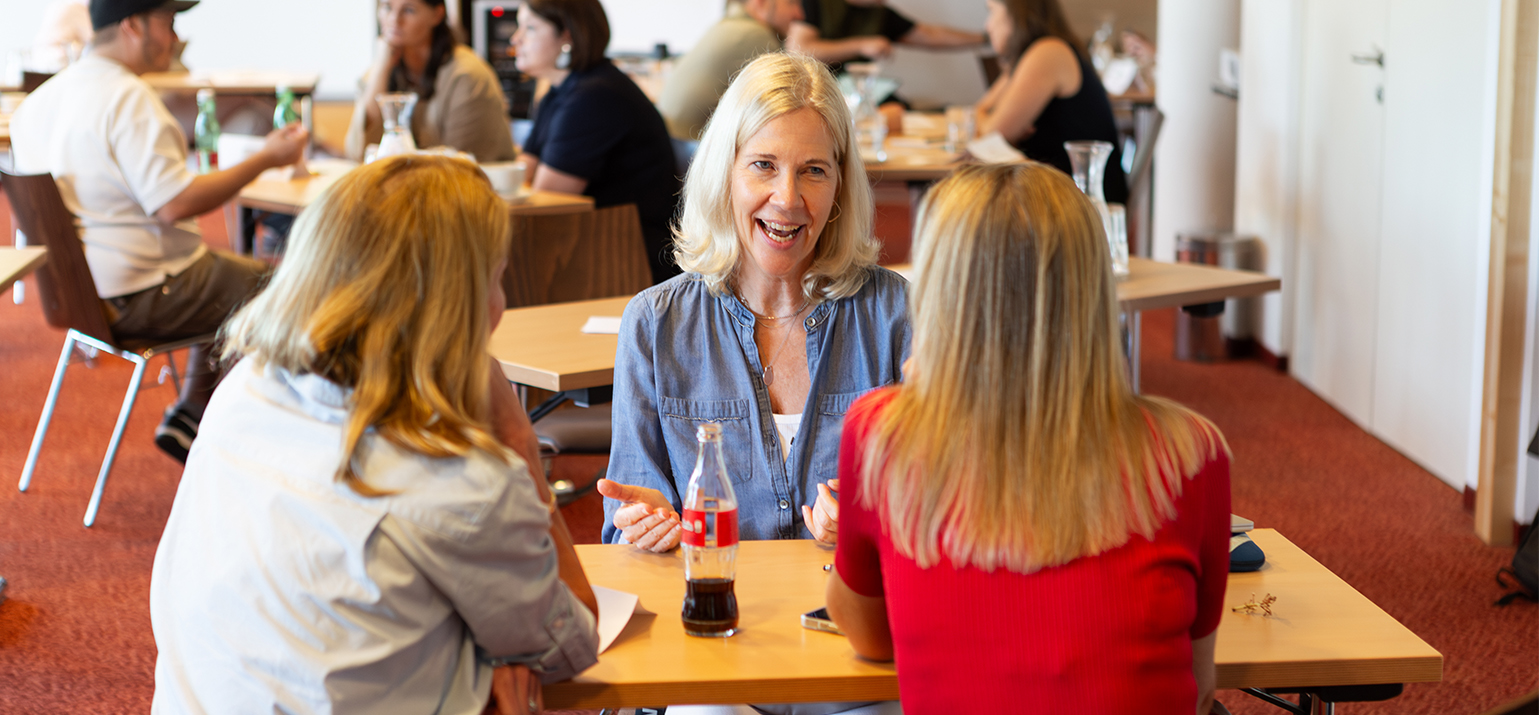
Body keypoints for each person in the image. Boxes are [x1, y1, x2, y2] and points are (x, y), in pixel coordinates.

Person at [149, 155, 600, 714]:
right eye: (499, 279)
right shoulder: (465, 482)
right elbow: (570, 644)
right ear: (459, 306)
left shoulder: (245, 387)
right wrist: (518, 444)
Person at [827, 163, 1230, 713]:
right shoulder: (1190, 452)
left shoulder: (879, 435)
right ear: (1092, 291)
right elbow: (1199, 682)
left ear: (940, 296)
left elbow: (871, 639)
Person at [597, 52, 909, 554]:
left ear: (840, 187)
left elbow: (948, 502)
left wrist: (871, 518)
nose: (787, 198)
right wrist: (645, 526)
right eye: (763, 165)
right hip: (713, 615)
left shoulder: (896, 316)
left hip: (850, 617)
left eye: (813, 170)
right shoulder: (656, 325)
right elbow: (623, 521)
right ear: (725, 173)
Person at [8, 0, 308, 462]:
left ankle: (191, 414)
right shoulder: (127, 98)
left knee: (225, 275)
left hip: (79, 297)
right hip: (146, 293)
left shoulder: (38, 103)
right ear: (133, 26)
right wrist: (265, 158)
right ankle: (266, 446)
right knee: (295, 287)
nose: (175, 39)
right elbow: (176, 204)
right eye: (168, 24)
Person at [514, 0, 682, 284]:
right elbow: (522, 173)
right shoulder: (558, 93)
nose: (515, 38)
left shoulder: (595, 97)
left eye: (530, 28)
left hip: (628, 258)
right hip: (591, 243)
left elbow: (546, 202)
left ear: (567, 35)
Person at [975, 0, 1128, 202]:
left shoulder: (1047, 53)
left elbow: (989, 138)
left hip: (1080, 204)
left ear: (1016, 13)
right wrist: (991, 120)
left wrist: (992, 120)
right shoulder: (1032, 54)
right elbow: (981, 109)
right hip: (1060, 194)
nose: (988, 25)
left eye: (992, 11)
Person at [344, 0, 516, 162]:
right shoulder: (380, 70)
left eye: (409, 10)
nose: (394, 20)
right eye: (387, 7)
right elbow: (358, 152)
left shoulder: (467, 75)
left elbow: (459, 166)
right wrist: (382, 66)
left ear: (437, 14)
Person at [656, 0, 805, 141]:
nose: (799, 14)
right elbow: (785, 112)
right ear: (761, 2)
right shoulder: (755, 35)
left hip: (673, 140)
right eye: (791, 3)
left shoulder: (729, 26)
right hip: (690, 147)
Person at [785, 0, 983, 73]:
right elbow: (797, 50)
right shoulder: (816, 4)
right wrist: (861, 45)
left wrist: (983, 39)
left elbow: (930, 35)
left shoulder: (881, 13)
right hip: (819, 93)